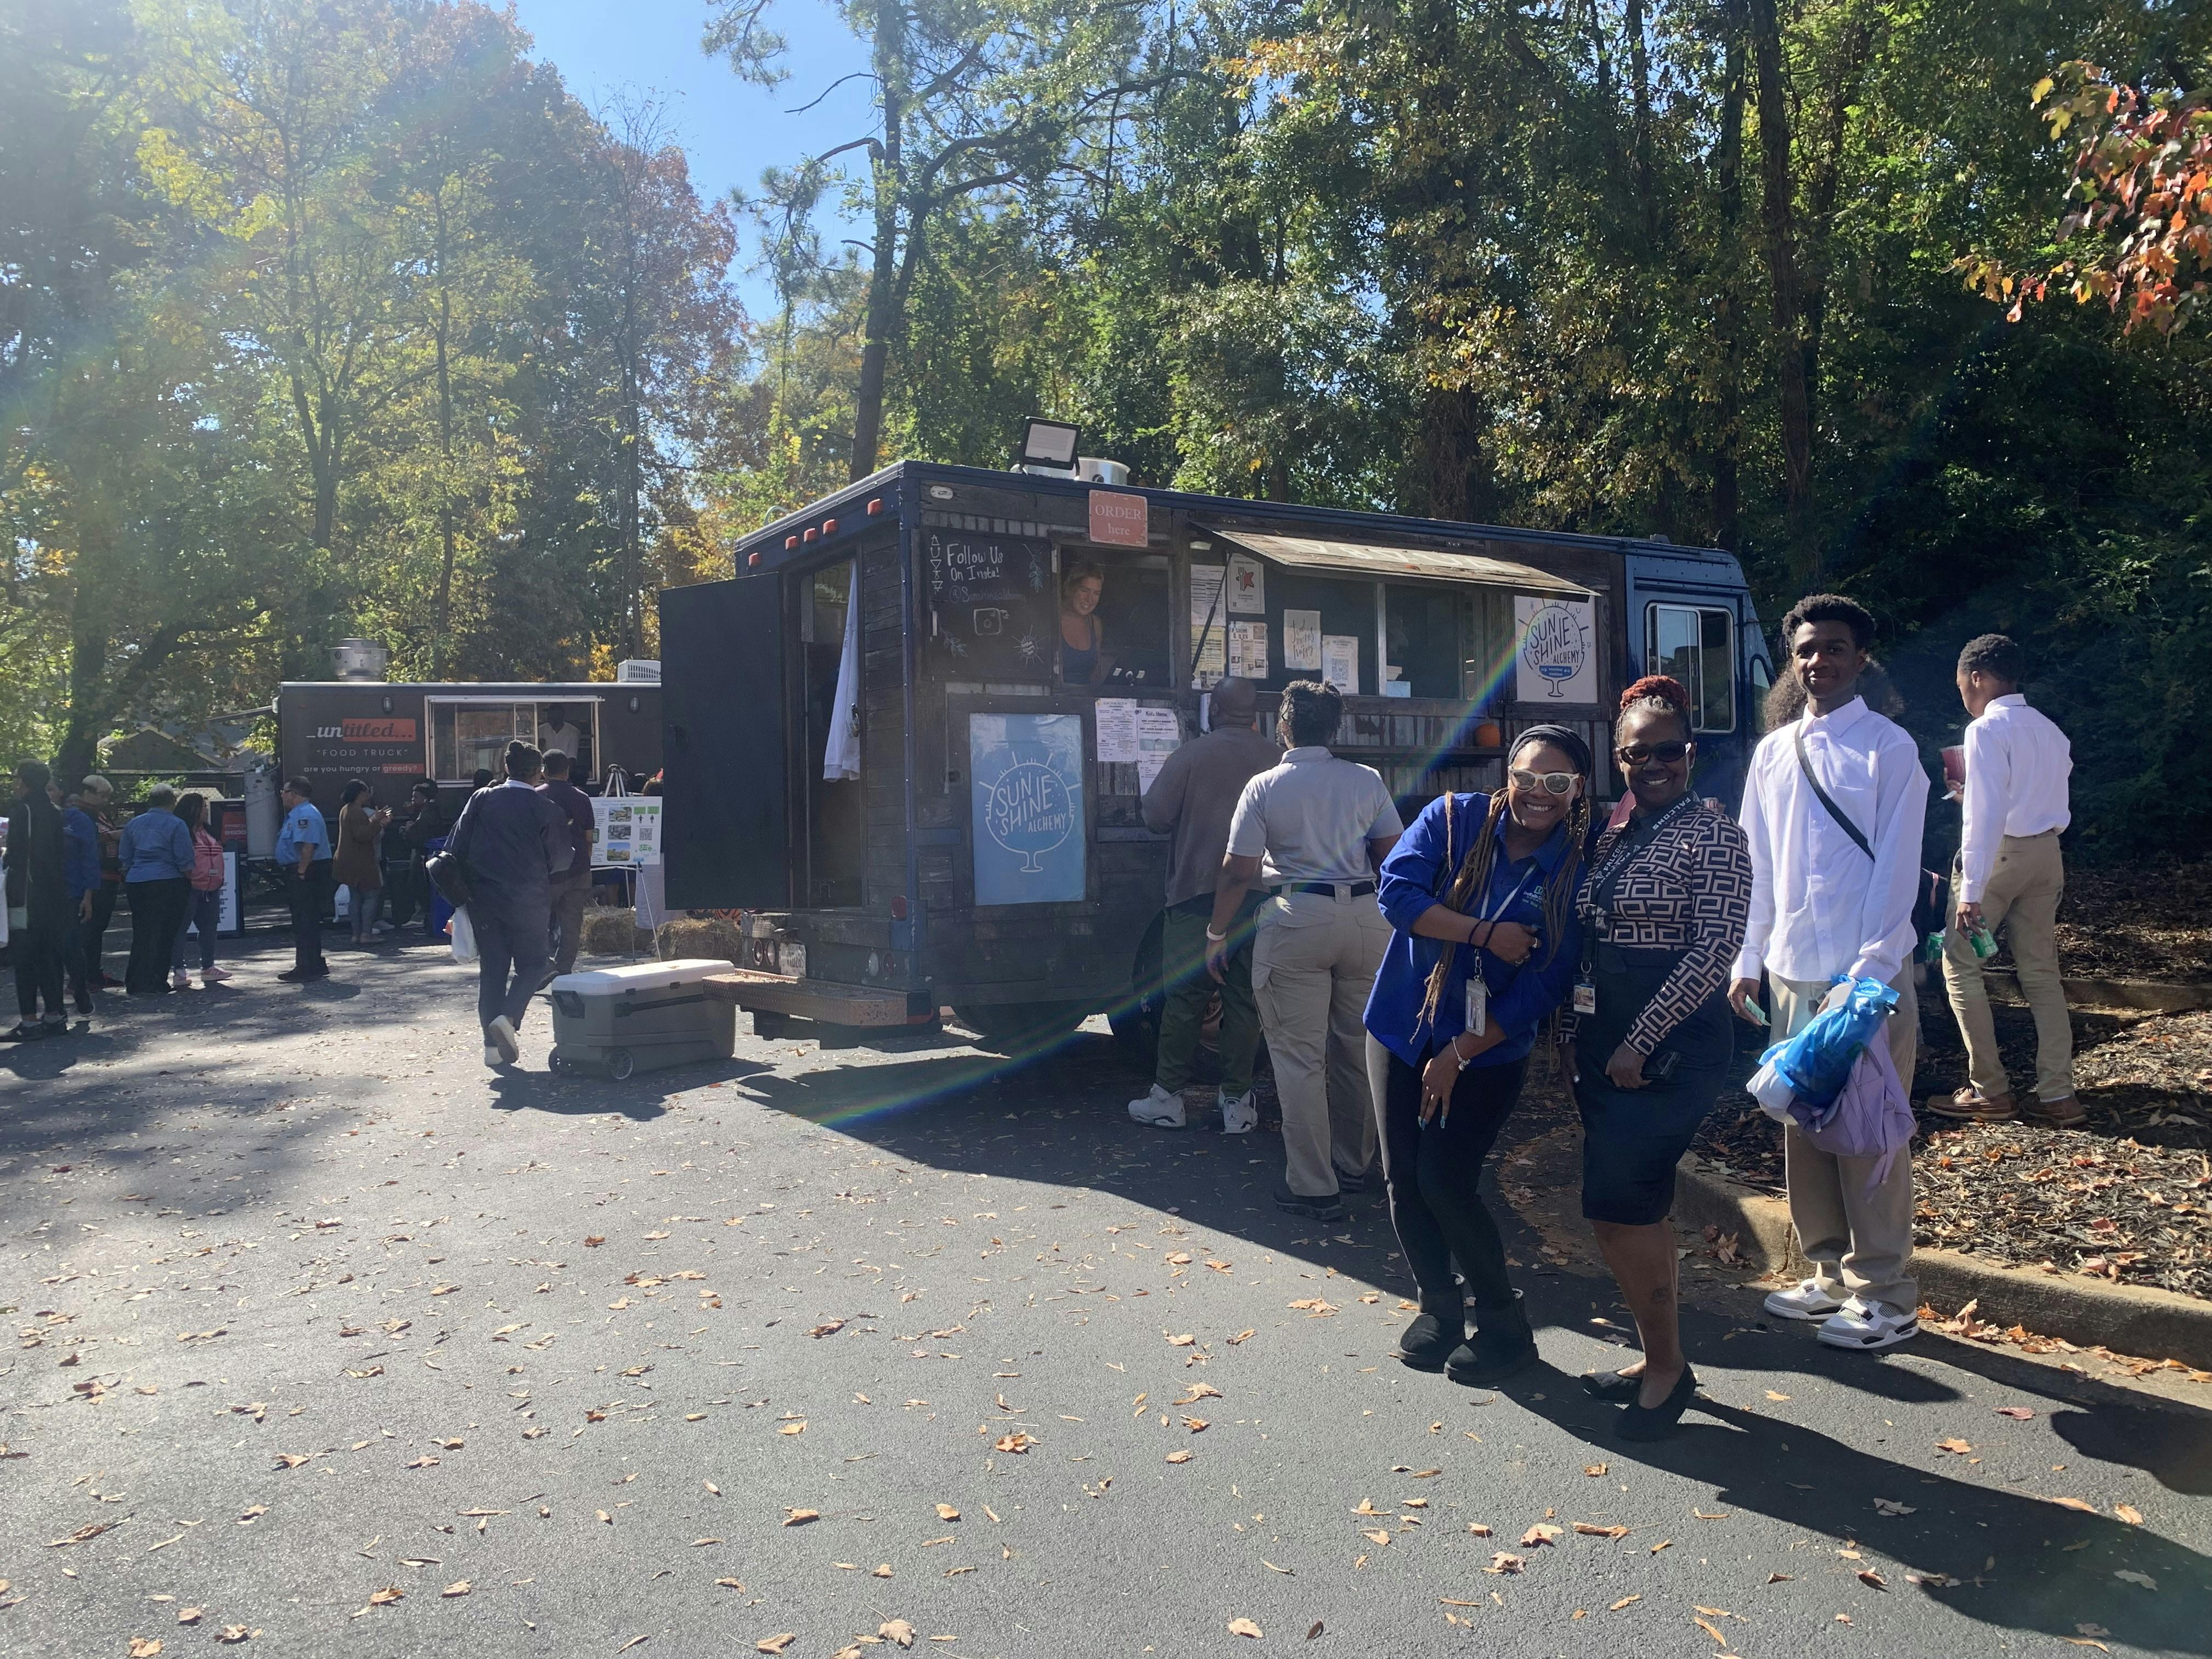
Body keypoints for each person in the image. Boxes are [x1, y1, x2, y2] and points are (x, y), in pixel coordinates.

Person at [1728, 594, 1930, 1353]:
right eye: (1808, 650)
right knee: (1803, 1126)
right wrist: (1748, 959)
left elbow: (1896, 870)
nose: (1821, 662)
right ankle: (1828, 1274)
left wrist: (1870, 972)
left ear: (1860, 658)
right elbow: (1758, 863)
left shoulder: (1888, 748)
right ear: (1794, 660)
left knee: (1871, 1134)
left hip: (1862, 980)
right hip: (1788, 970)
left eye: (1836, 648)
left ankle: (1886, 1291)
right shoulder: (1773, 753)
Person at [1364, 727, 1590, 1386]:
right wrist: (1486, 933)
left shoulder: (1574, 869)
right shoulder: (1455, 820)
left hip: (1489, 1049)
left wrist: (1459, 1052)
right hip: (1402, 1025)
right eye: (1527, 777)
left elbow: (1549, 978)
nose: (1538, 794)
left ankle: (1503, 1324)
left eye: (1558, 783)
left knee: (1446, 1180)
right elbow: (1397, 896)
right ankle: (1438, 1308)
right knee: (1403, 1178)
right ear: (1507, 774)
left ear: (1576, 791)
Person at [1572, 679, 1752, 1436]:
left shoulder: (1714, 833)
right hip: (1604, 1036)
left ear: (1692, 753)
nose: (1654, 764)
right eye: (1637, 753)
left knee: (1622, 1205)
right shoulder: (1617, 833)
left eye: (1668, 751)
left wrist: (1641, 1040)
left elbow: (1715, 948)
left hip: (1666, 1047)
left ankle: (1669, 1369)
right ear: (1619, 759)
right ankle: (1656, 1354)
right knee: (1628, 1211)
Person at [1207, 680, 1404, 1221]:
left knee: (1298, 1058)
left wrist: (1217, 932)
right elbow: (1394, 854)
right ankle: (1354, 1165)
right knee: (1357, 1051)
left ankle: (1314, 1186)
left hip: (1296, 913)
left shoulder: (1265, 785)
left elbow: (1238, 869)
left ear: (1284, 727)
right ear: (1334, 728)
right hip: (1366, 916)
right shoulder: (1366, 780)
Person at [1929, 634, 2078, 1127]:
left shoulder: (1986, 730)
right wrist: (1971, 795)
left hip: (1999, 856)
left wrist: (1970, 890)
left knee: (1959, 963)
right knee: (2041, 972)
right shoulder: (2051, 731)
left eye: (1960, 686)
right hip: (2047, 854)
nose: (1963, 697)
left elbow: (1987, 815)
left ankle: (1989, 1088)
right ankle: (2058, 1094)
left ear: (1977, 678)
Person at [1126, 679, 1279, 1132]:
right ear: (1255, 715)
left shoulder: (1191, 755)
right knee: (1243, 1003)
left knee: (1184, 1000)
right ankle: (1237, 1103)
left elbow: (1154, 816)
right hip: (1256, 897)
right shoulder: (1275, 759)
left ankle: (1168, 1098)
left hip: (1195, 898)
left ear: (1214, 711)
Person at [445, 740, 573, 1068]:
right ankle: (509, 1017)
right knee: (533, 964)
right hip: (529, 900)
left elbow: (455, 846)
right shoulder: (546, 808)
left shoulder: (481, 799)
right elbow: (561, 860)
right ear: (538, 773)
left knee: (493, 971)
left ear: (506, 769)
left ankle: (492, 1049)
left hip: (483, 900)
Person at [5, 761, 72, 1040]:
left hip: (26, 895)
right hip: (53, 894)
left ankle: (29, 1021)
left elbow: (17, 857)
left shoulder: (22, 811)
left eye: (17, 778)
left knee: (24, 958)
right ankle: (55, 1015)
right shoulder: (55, 812)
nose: (14, 784)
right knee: (49, 956)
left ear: (25, 782)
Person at [117, 784, 195, 994]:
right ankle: (155, 980)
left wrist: (130, 872)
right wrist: (189, 878)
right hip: (168, 881)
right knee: (165, 932)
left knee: (142, 931)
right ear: (173, 802)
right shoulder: (177, 824)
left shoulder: (134, 824)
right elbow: (185, 858)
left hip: (138, 881)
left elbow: (125, 856)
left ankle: (134, 980)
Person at [538, 749, 596, 981]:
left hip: (547, 871)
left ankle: (544, 964)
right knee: (572, 923)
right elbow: (589, 836)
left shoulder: (537, 796)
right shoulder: (582, 798)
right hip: (579, 867)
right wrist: (586, 863)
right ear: (567, 770)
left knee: (537, 921)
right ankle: (564, 970)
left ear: (543, 770)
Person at [276, 777, 333, 983]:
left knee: (305, 920)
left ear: (294, 794)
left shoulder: (305, 814)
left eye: (284, 791)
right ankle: (314, 963)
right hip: (306, 869)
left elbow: (308, 846)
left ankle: (307, 967)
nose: (282, 795)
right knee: (306, 919)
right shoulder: (299, 813)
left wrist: (301, 872)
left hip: (307, 871)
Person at [170, 793, 229, 988]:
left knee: (209, 928)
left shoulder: (209, 831)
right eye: (204, 808)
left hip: (211, 889)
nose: (207, 811)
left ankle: (208, 967)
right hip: (190, 888)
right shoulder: (182, 831)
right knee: (180, 929)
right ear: (194, 810)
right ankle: (179, 971)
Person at [79, 774, 123, 991]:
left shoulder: (99, 814)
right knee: (91, 927)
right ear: (87, 793)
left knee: (97, 928)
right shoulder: (80, 814)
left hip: (109, 875)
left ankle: (93, 973)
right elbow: (84, 842)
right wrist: (112, 837)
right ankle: (86, 976)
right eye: (102, 795)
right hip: (96, 876)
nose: (106, 800)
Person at [332, 780, 390, 947]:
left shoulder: (345, 810)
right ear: (360, 794)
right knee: (371, 895)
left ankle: (356, 934)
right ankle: (366, 933)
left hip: (346, 861)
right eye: (366, 792)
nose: (368, 795)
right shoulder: (357, 812)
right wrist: (377, 821)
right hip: (361, 861)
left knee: (355, 898)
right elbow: (363, 836)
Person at [59, 785, 100, 1013]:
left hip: (71, 892)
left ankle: (79, 988)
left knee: (71, 945)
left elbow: (90, 859)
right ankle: (54, 1007)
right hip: (43, 894)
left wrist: (88, 895)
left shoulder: (78, 821)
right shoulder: (30, 816)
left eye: (52, 788)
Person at [1059, 562, 1109, 685]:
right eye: (1085, 591)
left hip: (1085, 700)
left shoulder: (1095, 624)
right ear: (1071, 588)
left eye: (1096, 594)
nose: (1090, 600)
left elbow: (1096, 674)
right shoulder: (1052, 619)